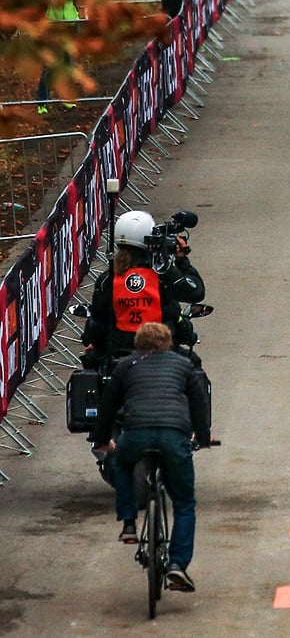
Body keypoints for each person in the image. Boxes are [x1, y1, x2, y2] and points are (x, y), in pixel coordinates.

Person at [92, 322, 211, 593]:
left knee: (121, 464)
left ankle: (130, 522)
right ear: (168, 343)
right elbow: (198, 404)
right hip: (173, 435)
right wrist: (201, 437)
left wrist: (102, 440)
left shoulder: (126, 366)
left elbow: (108, 406)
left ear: (138, 343)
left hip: (136, 435)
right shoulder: (183, 366)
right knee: (183, 503)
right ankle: (177, 565)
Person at [82, 210, 205, 362]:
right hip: (163, 353)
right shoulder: (163, 276)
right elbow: (195, 292)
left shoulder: (107, 280)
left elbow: (98, 321)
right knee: (194, 362)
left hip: (118, 355)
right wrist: (181, 260)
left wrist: (95, 344)